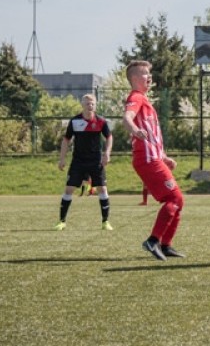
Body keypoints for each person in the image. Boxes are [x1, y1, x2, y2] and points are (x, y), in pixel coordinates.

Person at [123, 60, 185, 261]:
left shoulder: (145, 100)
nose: (149, 77)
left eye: (150, 74)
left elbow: (152, 133)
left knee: (178, 200)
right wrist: (134, 129)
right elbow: (127, 118)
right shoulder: (136, 97)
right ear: (134, 79)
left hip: (153, 158)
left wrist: (164, 156)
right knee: (174, 199)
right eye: (144, 74)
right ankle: (153, 240)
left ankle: (165, 244)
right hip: (147, 159)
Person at [55, 94, 113, 231]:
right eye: (87, 103)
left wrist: (107, 153)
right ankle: (62, 221)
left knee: (102, 189)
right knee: (68, 189)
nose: (90, 105)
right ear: (82, 104)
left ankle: (105, 222)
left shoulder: (101, 121)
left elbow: (109, 137)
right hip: (78, 161)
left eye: (92, 103)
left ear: (95, 105)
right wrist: (62, 158)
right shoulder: (75, 121)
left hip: (96, 161)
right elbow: (66, 140)